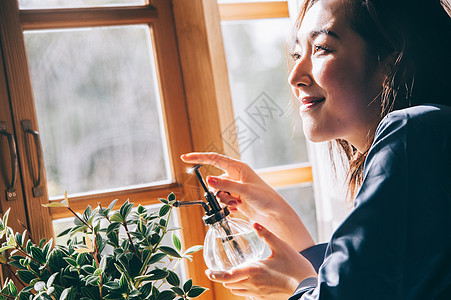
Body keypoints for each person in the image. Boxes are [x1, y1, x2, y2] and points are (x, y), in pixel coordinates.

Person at [182, 0, 451, 298]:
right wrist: (282, 219)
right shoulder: (430, 134)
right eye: (297, 53)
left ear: (393, 57)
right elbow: (379, 279)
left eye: (321, 48)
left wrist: (293, 284)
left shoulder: (413, 132)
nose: (295, 76)